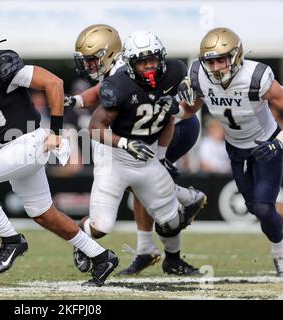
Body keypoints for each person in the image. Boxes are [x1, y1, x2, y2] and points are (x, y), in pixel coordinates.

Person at [0, 10, 119, 287]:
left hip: (30, 140)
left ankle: (11, 239)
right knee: (44, 213)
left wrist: (54, 131)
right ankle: (101, 257)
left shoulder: (3, 62)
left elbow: (54, 83)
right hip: (12, 146)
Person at [66, 25, 205, 276]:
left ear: (109, 54)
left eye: (92, 60)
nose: (88, 67)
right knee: (130, 197)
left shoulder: (151, 70)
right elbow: (102, 98)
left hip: (167, 131)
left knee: (155, 196)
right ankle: (155, 239)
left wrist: (191, 90)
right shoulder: (121, 77)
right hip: (132, 143)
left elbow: (177, 110)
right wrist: (77, 101)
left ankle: (167, 235)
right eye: (85, 61)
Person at [173, 27, 283, 276]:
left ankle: (280, 255)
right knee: (255, 208)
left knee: (265, 208)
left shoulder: (256, 77)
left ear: (236, 57)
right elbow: (190, 110)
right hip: (236, 150)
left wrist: (279, 142)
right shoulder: (200, 77)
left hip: (267, 146)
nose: (215, 68)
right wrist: (174, 108)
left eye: (221, 60)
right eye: (209, 62)